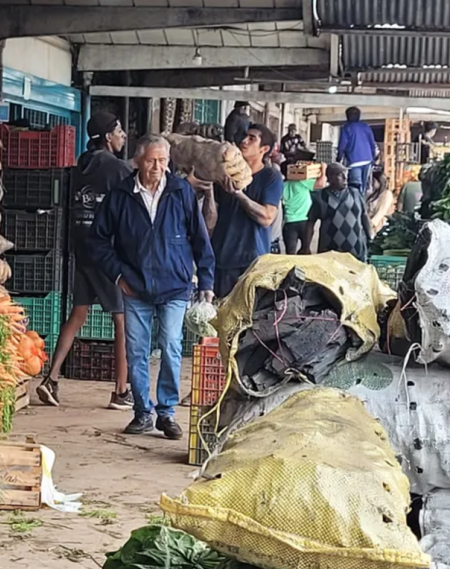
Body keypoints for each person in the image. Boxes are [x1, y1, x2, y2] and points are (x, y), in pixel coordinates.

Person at [88, 134, 216, 439]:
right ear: (138, 160)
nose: (158, 167)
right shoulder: (120, 194)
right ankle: (143, 412)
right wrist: (119, 276)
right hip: (135, 286)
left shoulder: (181, 191)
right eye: (152, 160)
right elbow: (97, 240)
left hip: (174, 286)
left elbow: (200, 239)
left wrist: (206, 281)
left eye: (163, 161)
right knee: (137, 352)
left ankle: (167, 412)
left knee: (172, 347)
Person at [37, 112, 133, 410]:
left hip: (81, 249)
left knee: (78, 314)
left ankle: (50, 379)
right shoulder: (117, 169)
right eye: (119, 131)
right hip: (107, 255)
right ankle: (120, 390)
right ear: (107, 136)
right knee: (122, 321)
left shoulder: (81, 164)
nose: (123, 136)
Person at [211, 124, 284, 298]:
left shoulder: (270, 177)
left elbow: (266, 217)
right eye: (245, 137)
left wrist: (238, 194)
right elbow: (211, 216)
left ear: (264, 149)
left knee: (248, 318)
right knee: (219, 315)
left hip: (251, 261)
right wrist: (207, 187)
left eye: (252, 139)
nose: (244, 141)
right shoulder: (225, 174)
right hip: (221, 257)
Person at [304, 162, 372, 261]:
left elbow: (364, 215)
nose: (345, 178)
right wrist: (306, 247)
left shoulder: (355, 194)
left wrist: (370, 237)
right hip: (330, 252)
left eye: (346, 174)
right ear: (330, 178)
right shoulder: (321, 197)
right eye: (341, 175)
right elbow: (310, 223)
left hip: (356, 249)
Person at [281, 158, 327, 255]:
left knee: (290, 254)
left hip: (289, 222)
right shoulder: (302, 182)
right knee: (306, 250)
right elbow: (321, 184)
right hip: (305, 222)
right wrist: (323, 170)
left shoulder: (282, 185)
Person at [336, 107, 379, 195]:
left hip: (354, 161)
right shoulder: (365, 126)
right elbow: (372, 143)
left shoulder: (346, 128)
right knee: (363, 188)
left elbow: (342, 146)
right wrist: (373, 158)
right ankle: (362, 205)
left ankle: (357, 206)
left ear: (347, 116)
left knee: (356, 188)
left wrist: (338, 159)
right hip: (367, 160)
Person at [368, 167, 396, 233]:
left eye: (373, 181)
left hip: (380, 227)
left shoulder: (387, 194)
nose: (371, 184)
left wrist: (371, 224)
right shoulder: (372, 194)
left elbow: (381, 212)